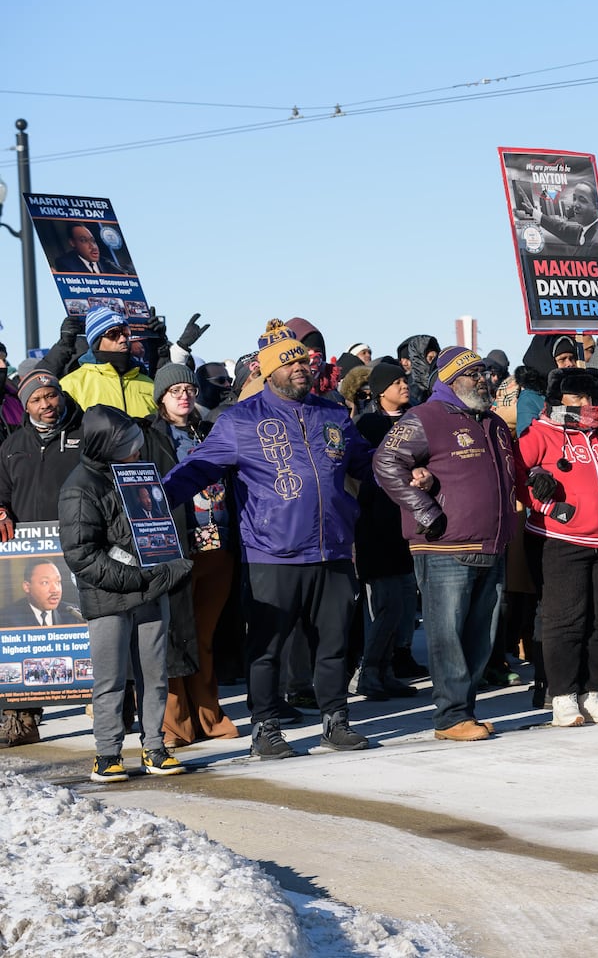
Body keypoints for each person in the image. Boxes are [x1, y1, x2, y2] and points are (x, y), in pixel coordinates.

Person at [163, 319, 375, 759]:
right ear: (269, 371)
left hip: (333, 549)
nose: (302, 367)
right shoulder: (241, 421)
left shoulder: (333, 414)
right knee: (266, 650)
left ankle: (335, 721)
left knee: (333, 645)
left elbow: (365, 463)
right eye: (291, 362)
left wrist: (408, 467)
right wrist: (150, 499)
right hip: (272, 553)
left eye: (305, 361)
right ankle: (266, 727)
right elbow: (196, 469)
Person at [376, 348, 518, 741]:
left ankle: (463, 711)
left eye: (485, 373)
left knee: (480, 636)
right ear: (451, 379)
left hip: (492, 543)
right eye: (473, 374)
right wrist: (426, 511)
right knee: (447, 634)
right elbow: (386, 463)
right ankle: (450, 716)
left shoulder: (492, 422)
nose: (483, 380)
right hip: (444, 547)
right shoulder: (424, 417)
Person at [60, 406, 194, 783]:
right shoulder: (79, 486)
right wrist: (141, 577)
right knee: (110, 680)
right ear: (106, 446)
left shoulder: (137, 475)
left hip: (150, 589)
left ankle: (154, 746)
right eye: (128, 445)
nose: (137, 452)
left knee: (155, 674)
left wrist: (165, 563)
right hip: (110, 598)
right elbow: (82, 556)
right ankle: (107, 754)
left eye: (137, 444)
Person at [519, 368, 598, 727]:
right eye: (577, 397)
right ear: (559, 399)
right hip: (562, 539)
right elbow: (516, 475)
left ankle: (592, 691)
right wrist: (547, 503)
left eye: (591, 397)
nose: (587, 404)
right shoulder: (541, 432)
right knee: (566, 621)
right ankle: (562, 695)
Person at [141, 364, 240, 749]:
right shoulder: (150, 435)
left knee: (204, 636)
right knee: (172, 636)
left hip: (218, 546)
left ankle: (209, 716)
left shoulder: (211, 430)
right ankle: (175, 723)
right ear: (161, 398)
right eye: (174, 391)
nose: (184, 395)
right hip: (173, 547)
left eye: (188, 388)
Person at [0, 367, 87, 748]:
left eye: (50, 395)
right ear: (26, 406)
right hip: (28, 551)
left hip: (79, 546)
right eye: (36, 400)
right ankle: (22, 719)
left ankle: (112, 706)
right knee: (25, 640)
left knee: (86, 630)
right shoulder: (12, 445)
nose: (46, 404)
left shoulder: (84, 435)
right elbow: (1, 492)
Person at [350, 363, 422, 700]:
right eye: (396, 382)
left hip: (409, 525)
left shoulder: (416, 419)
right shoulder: (368, 424)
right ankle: (370, 673)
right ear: (380, 390)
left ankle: (389, 670)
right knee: (386, 605)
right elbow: (358, 476)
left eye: (405, 380)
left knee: (406, 606)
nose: (404, 386)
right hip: (376, 526)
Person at [53, 222, 128, 275]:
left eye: (93, 241)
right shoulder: (65, 263)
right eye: (84, 240)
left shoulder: (107, 262)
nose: (93, 247)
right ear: (72, 243)